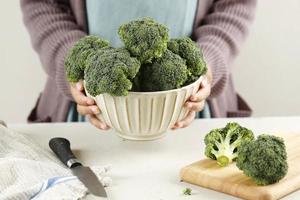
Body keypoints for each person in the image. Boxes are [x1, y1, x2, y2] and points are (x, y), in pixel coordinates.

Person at [20, 0, 255, 130]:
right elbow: (42, 4)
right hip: (83, 108)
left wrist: (209, 60)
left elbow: (235, 4)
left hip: (193, 106)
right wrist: (72, 62)